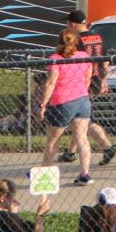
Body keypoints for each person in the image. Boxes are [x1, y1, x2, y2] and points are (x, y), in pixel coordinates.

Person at [38, 29, 109, 184]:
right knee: (82, 137)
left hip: (62, 102)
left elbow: (51, 82)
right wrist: (81, 91)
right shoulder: (84, 57)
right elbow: (87, 77)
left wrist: (43, 103)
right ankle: (85, 173)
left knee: (52, 141)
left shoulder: (55, 59)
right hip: (82, 100)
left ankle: (45, 175)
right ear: (76, 42)